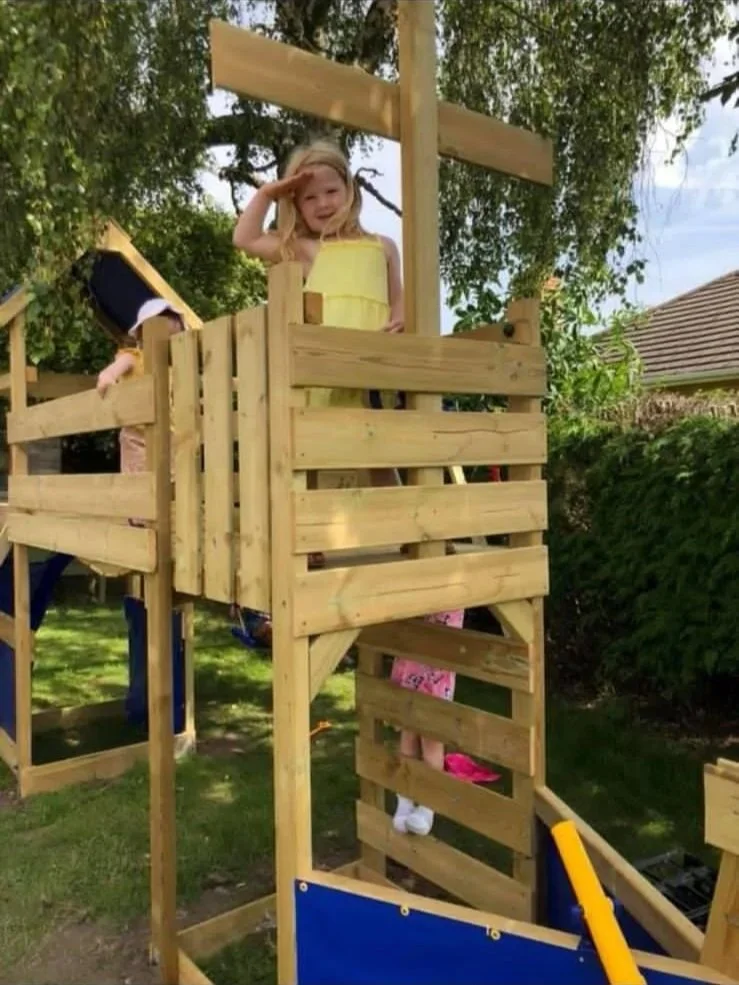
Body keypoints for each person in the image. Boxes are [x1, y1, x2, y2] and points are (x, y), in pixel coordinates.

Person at [97, 298, 184, 514]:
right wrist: (108, 378)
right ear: (142, 337)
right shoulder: (133, 358)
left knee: (169, 480)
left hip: (167, 433)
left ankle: (166, 517)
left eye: (175, 340)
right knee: (137, 477)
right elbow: (111, 371)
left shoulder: (174, 367)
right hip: (137, 433)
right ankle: (138, 517)